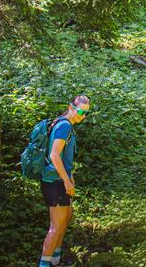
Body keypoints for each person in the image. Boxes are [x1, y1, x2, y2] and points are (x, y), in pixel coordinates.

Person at [38, 95, 90, 267]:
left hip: (59, 179)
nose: (82, 115)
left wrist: (70, 176)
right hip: (54, 182)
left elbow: (63, 156)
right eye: (80, 111)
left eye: (86, 113)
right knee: (56, 226)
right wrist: (66, 180)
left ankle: (56, 259)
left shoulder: (64, 123)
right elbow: (54, 154)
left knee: (66, 218)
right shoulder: (64, 126)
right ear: (71, 107)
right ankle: (44, 264)